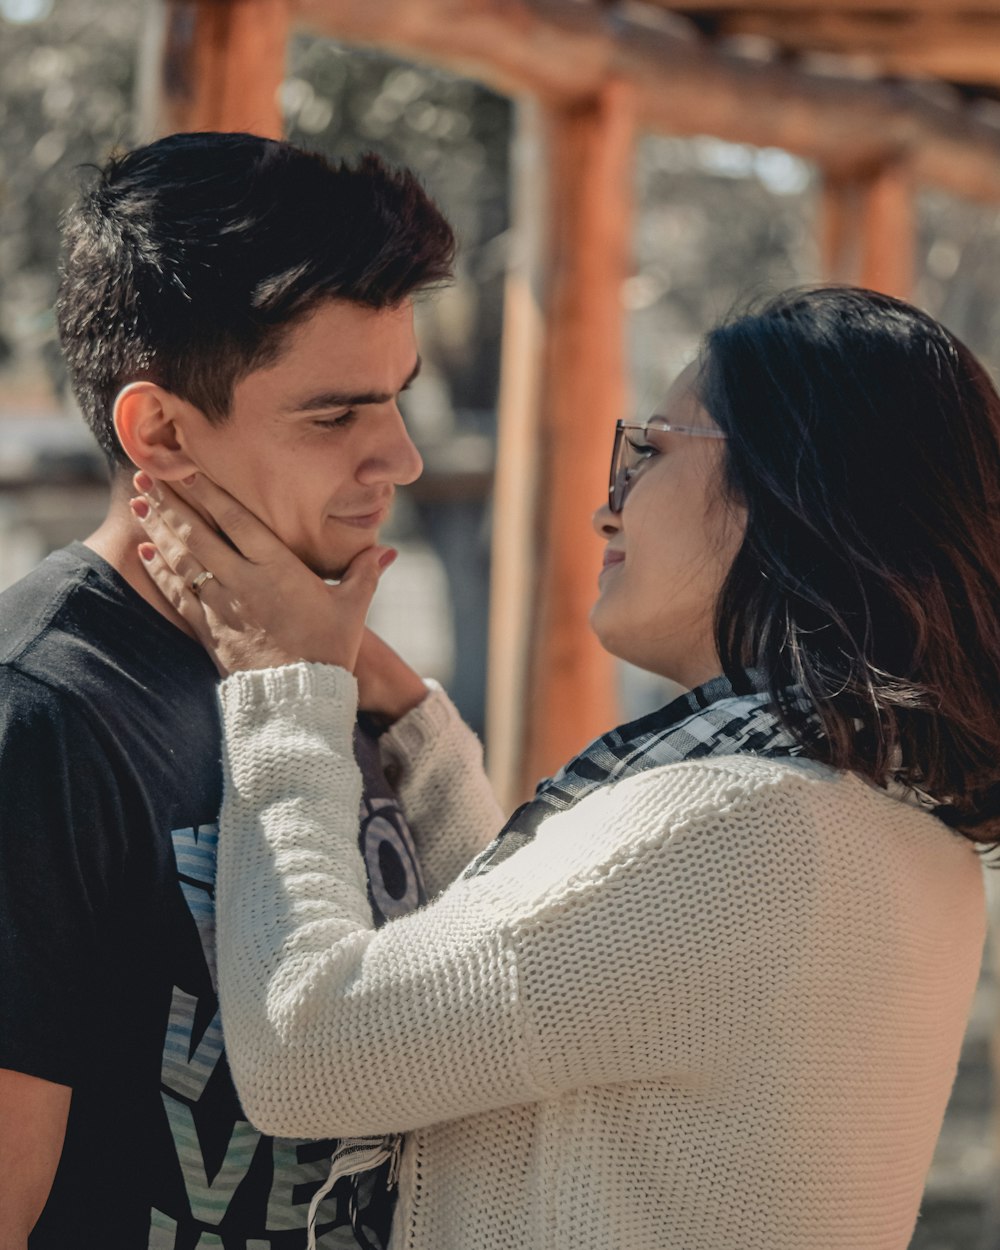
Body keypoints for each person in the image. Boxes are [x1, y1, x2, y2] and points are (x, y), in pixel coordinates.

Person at [132, 286, 1000, 1250]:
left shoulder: (753, 829)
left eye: (650, 451)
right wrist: (409, 723)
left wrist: (284, 687)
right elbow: (535, 999)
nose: (606, 505)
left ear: (795, 487)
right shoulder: (871, 819)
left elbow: (307, 1049)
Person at [0, 131, 456, 1249]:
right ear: (160, 430)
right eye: (334, 413)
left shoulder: (327, 666)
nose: (399, 457)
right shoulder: (43, 713)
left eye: (397, 397)